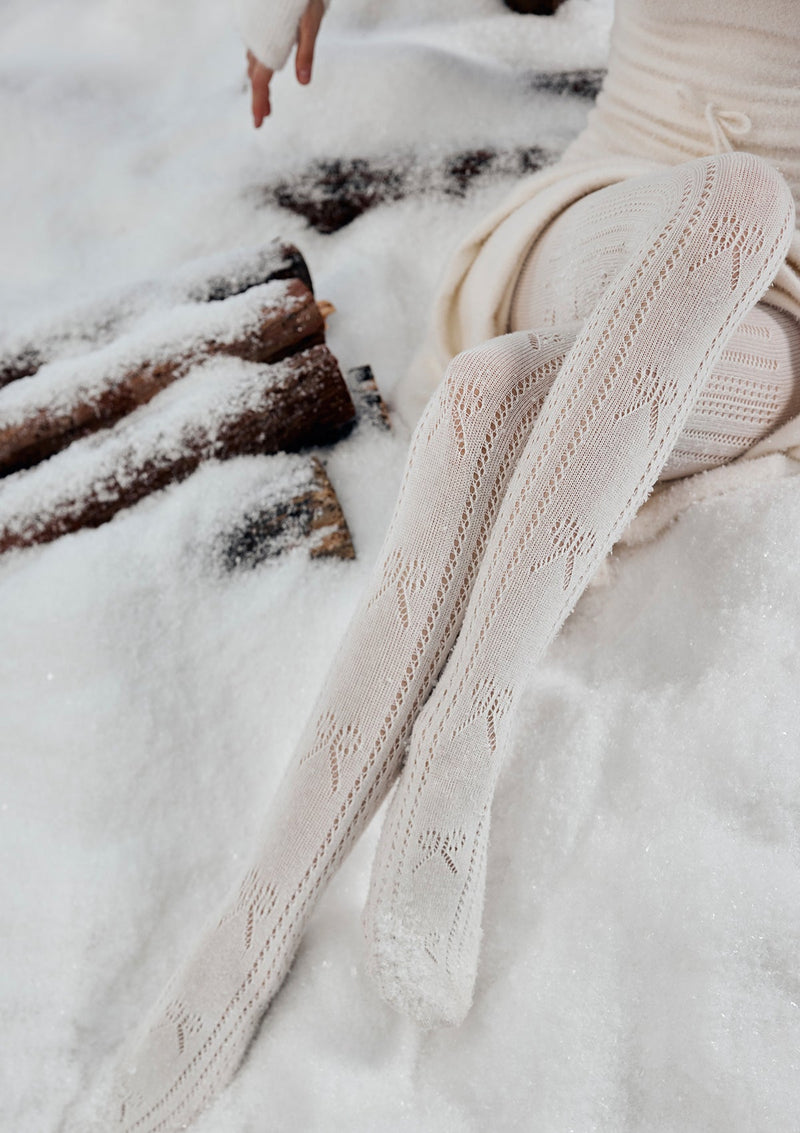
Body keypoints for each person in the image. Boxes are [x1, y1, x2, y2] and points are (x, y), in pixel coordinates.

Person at [112, 1, 800, 1130]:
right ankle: (362, 823)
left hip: (767, 309)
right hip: (618, 205)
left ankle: (301, 879)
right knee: (725, 198)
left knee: (495, 394)